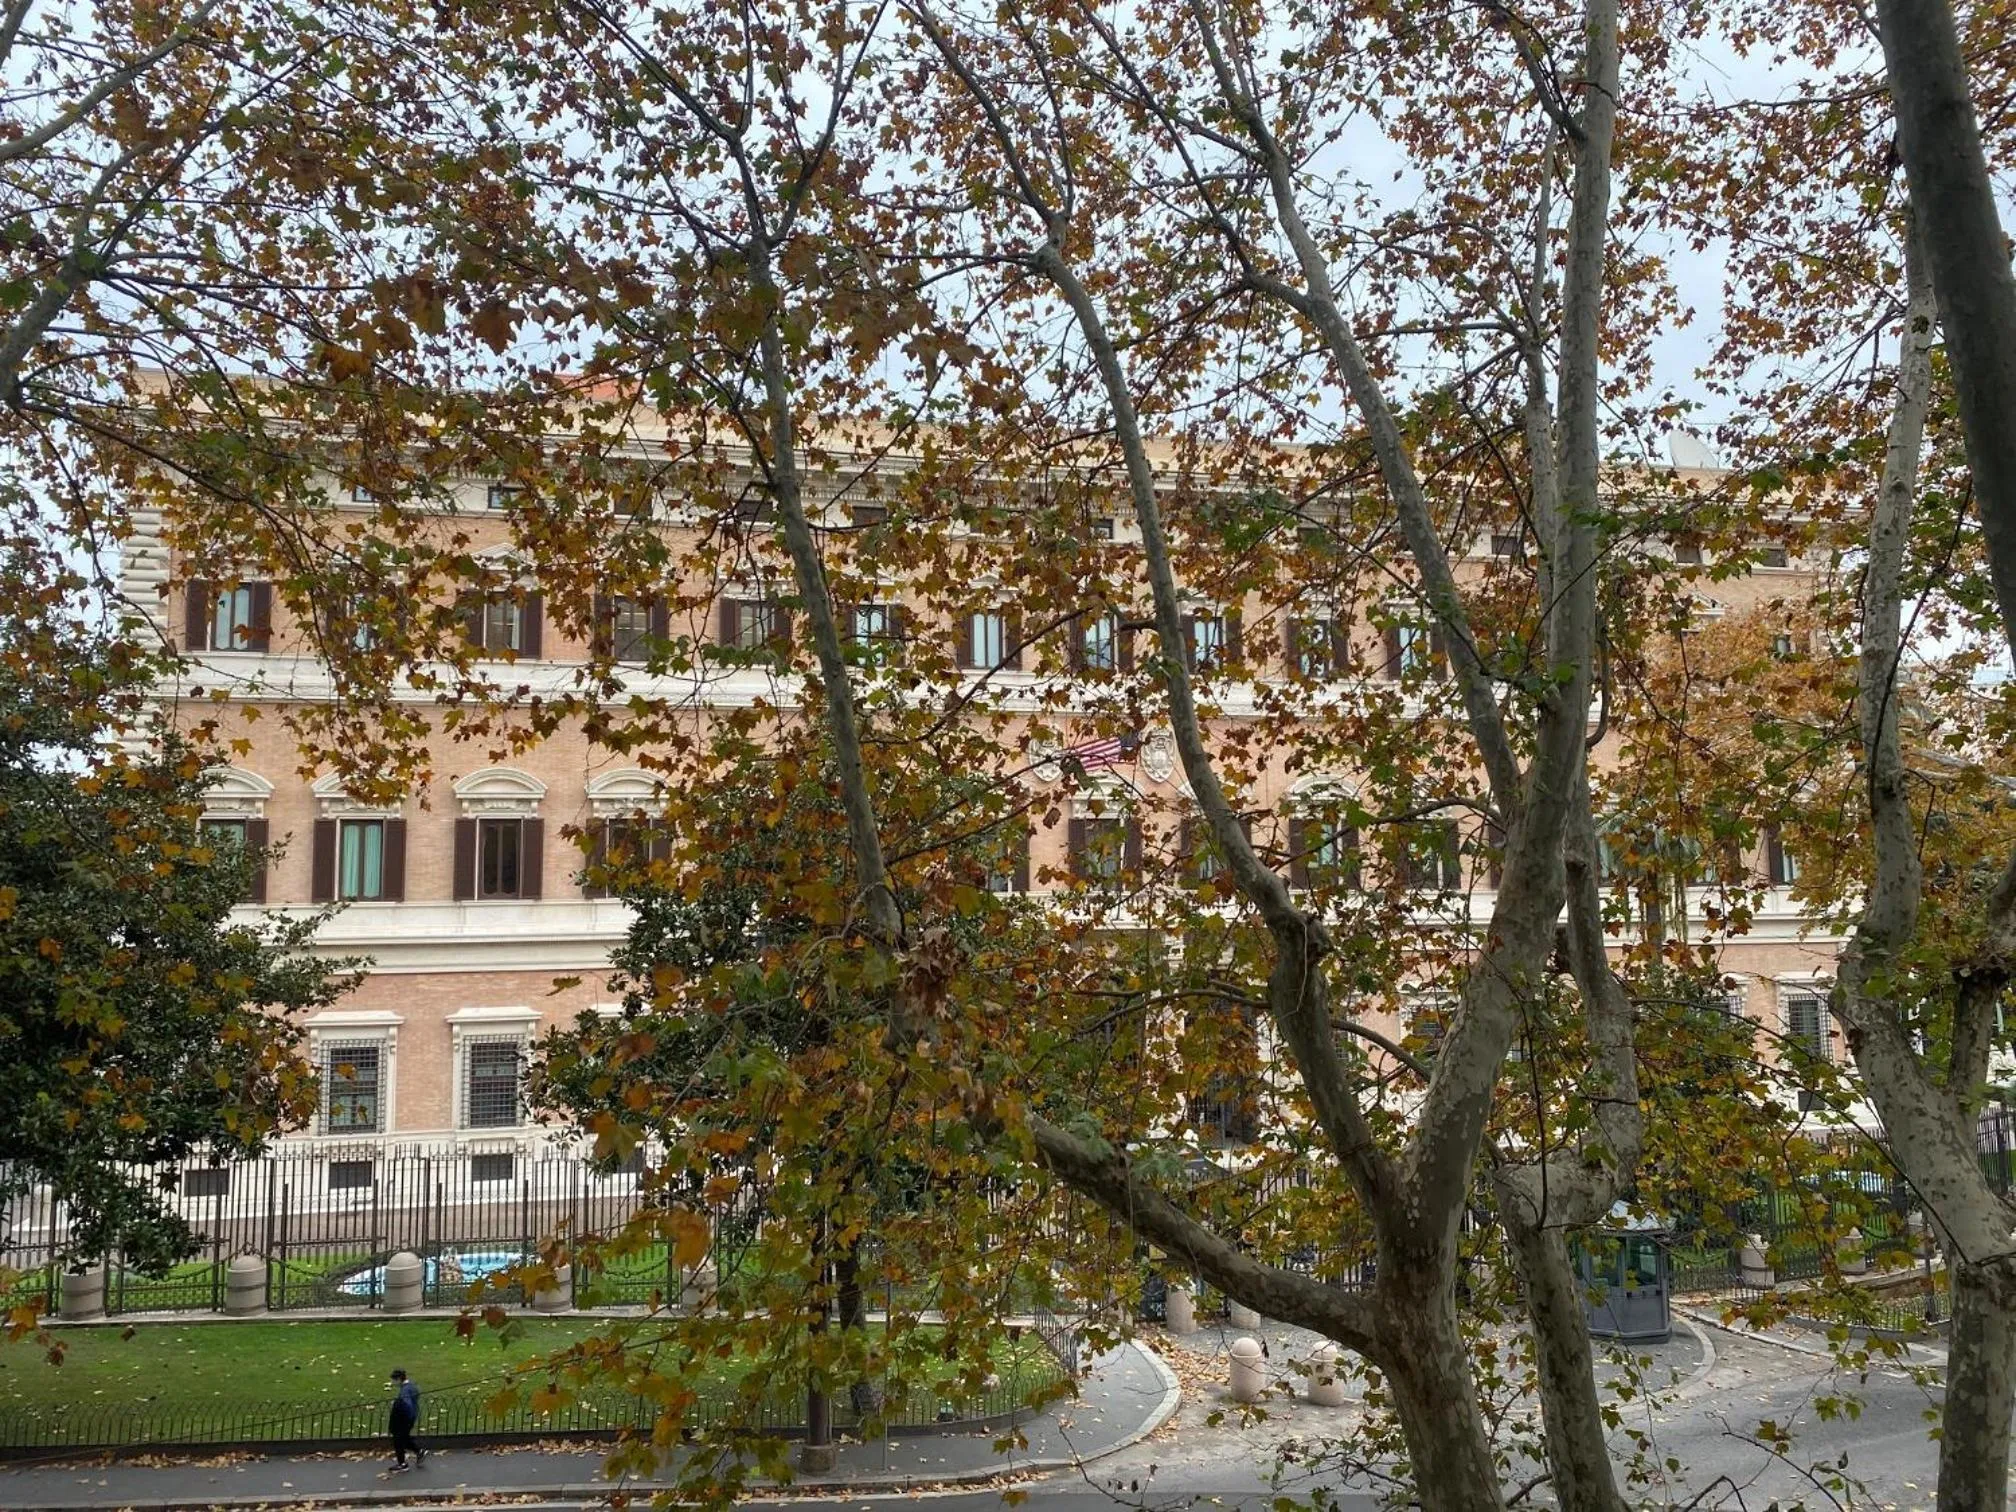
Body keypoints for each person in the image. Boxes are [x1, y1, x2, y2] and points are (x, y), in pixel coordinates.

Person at [387, 1368, 426, 1469]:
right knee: (404, 1438)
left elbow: (406, 1404)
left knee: (398, 1440)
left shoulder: (405, 1390)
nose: (392, 1382)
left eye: (394, 1380)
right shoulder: (412, 1386)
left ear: (399, 1379)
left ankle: (402, 1464)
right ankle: (419, 1451)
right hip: (411, 1417)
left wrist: (397, 1404)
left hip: (404, 1419)